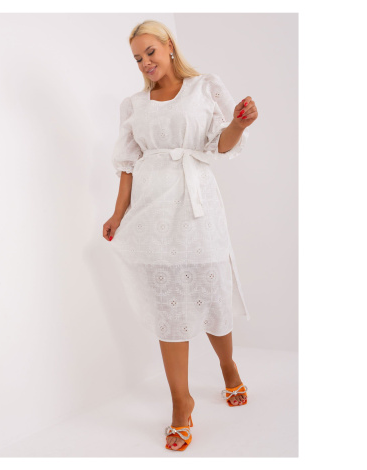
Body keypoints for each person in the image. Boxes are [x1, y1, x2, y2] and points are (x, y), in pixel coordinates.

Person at [102, 20, 258, 451]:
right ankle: (180, 402)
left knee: (212, 293)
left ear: (169, 45)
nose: (145, 62)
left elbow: (219, 143)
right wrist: (117, 213)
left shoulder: (204, 87)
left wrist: (239, 124)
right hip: (152, 211)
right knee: (168, 305)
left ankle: (228, 367)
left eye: (150, 52)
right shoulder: (133, 105)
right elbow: (128, 165)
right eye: (137, 58)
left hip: (197, 205)